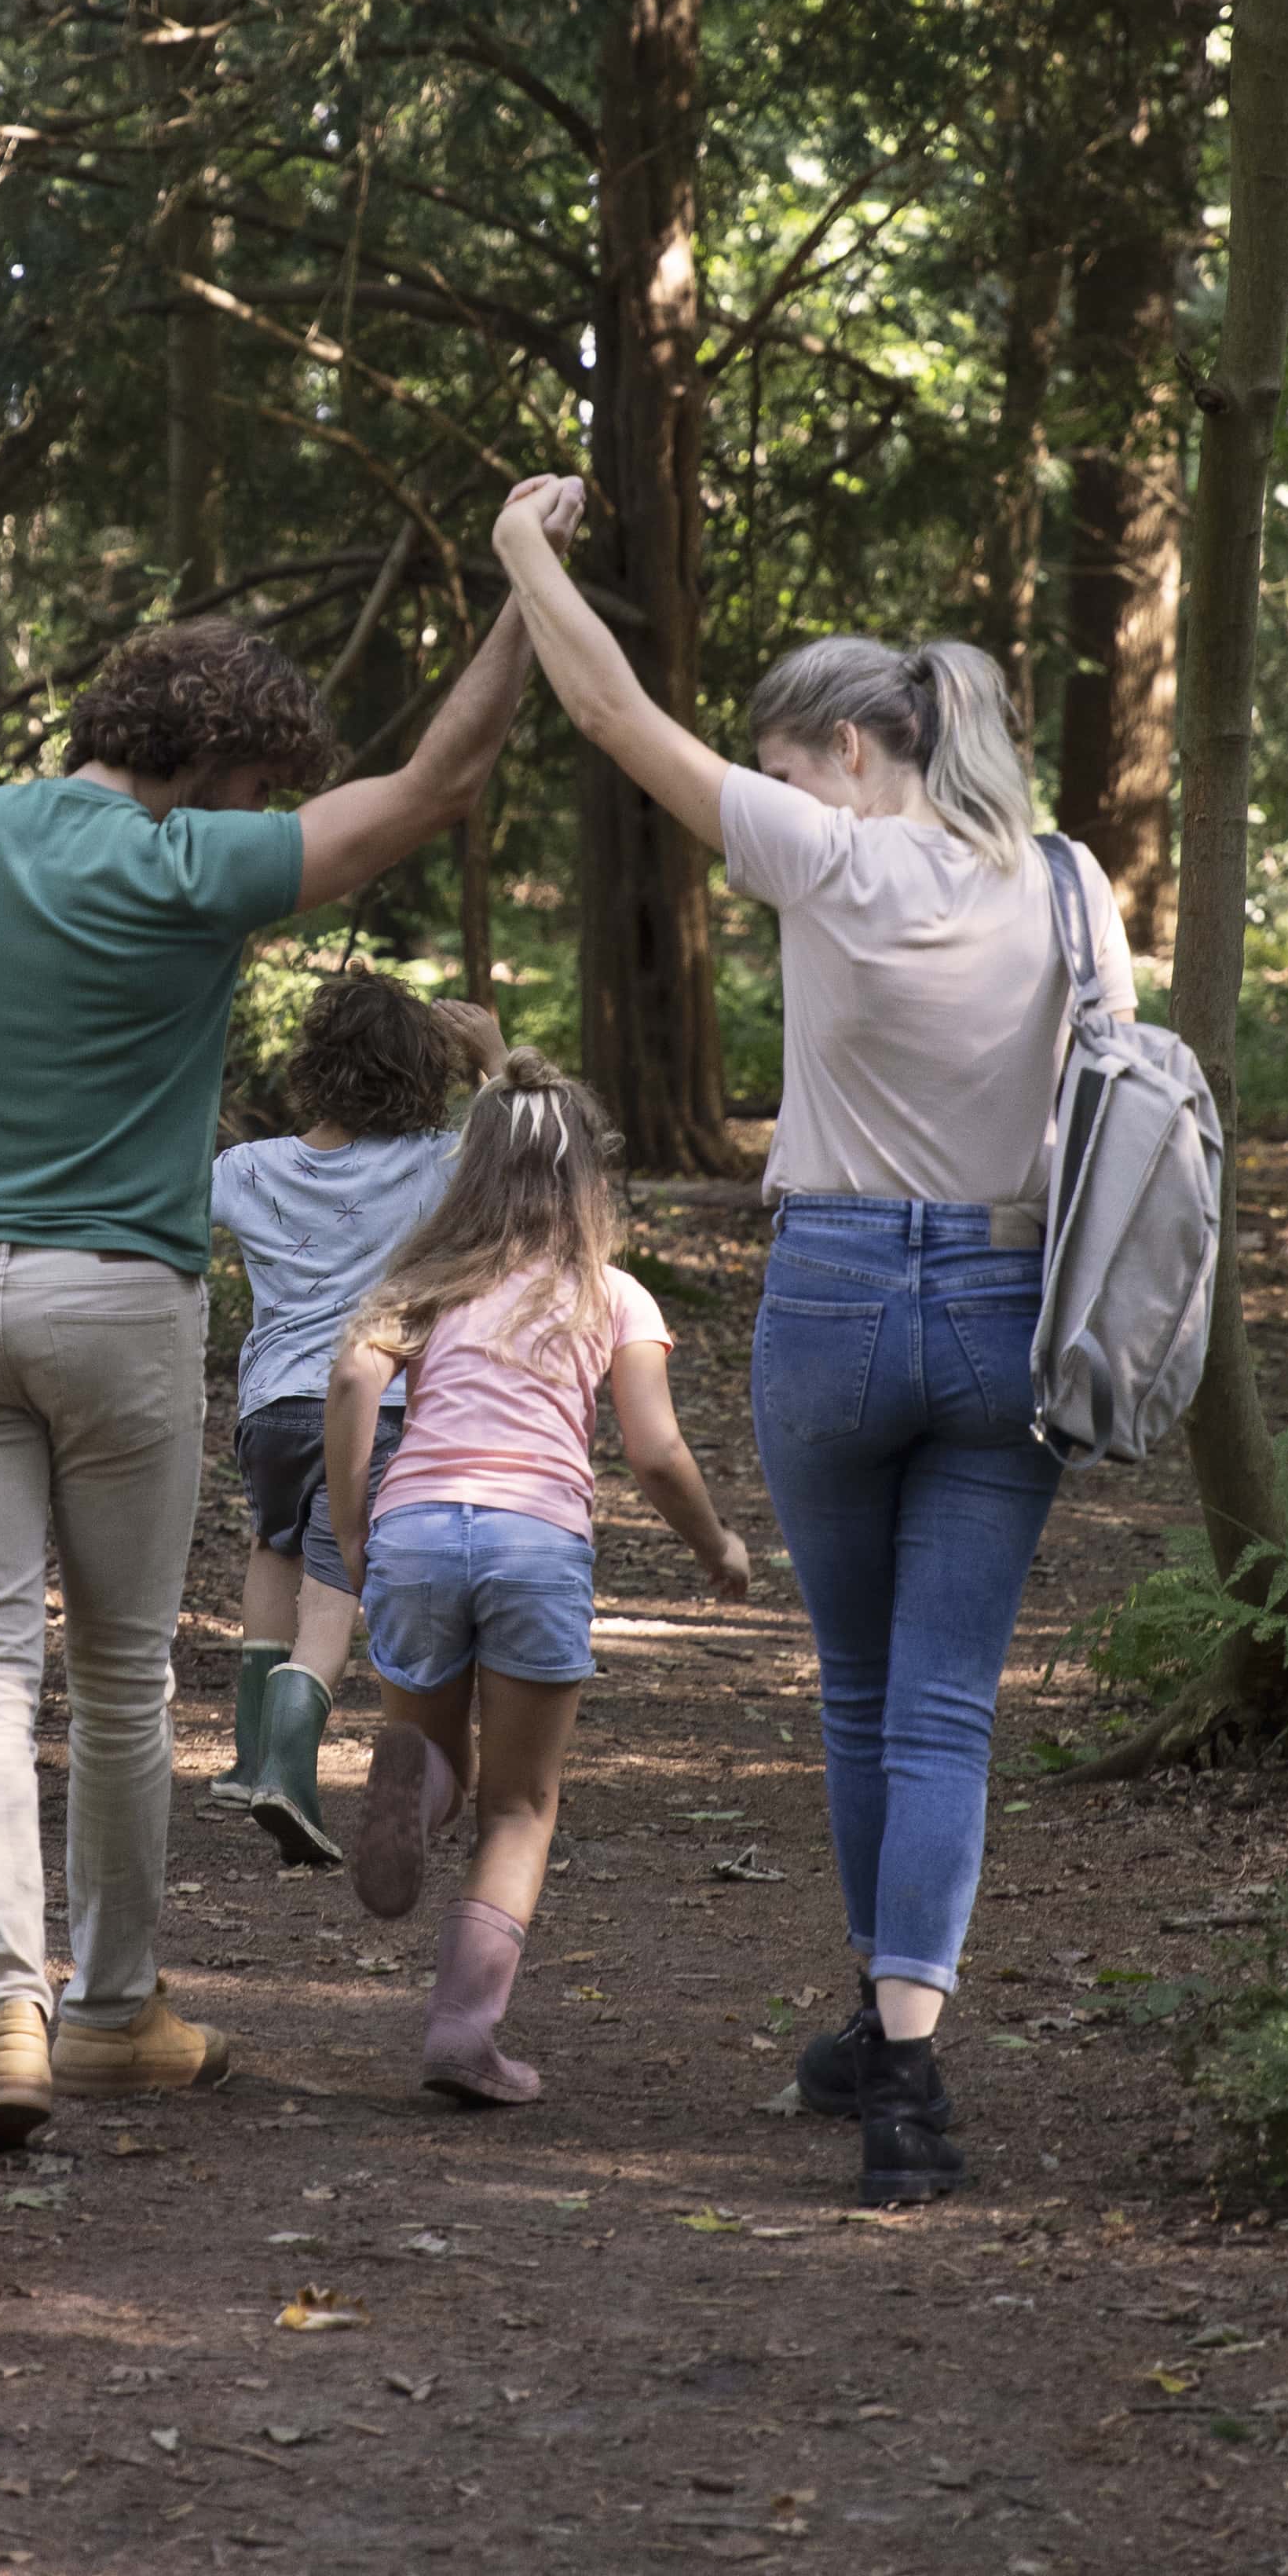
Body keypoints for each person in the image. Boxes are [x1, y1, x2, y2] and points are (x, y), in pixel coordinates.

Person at [0, 596, 541, 2157]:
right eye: (256, 788)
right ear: (220, 764)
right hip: (117, 1304)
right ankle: (109, 2013)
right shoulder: (192, 863)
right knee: (113, 1671)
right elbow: (441, 779)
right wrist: (520, 587)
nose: (259, 820)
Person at [488, 472, 1135, 2207]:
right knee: (943, 1707)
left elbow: (611, 711)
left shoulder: (831, 857)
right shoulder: (1075, 891)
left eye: (778, 764)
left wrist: (517, 553)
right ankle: (904, 2067)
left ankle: (875, 2024)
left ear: (853, 751)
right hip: (1015, 1310)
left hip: (836, 1299)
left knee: (858, 1691)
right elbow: (1115, 1111)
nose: (766, 797)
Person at [324, 1050, 751, 2106]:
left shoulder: (424, 1285)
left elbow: (348, 1374)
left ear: (471, 1175)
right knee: (519, 1803)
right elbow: (654, 1452)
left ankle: (405, 1813)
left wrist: (353, 1528)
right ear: (588, 1186)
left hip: (416, 1529)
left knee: (431, 1754)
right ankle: (463, 2036)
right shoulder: (612, 1296)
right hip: (535, 1541)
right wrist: (716, 1549)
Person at [203, 971, 506, 1866]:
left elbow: (167, 1209)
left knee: (272, 1547)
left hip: (268, 1409)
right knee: (335, 1593)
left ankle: (250, 1749)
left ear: (314, 1065)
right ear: (419, 1070)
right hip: (371, 1409)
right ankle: (289, 1774)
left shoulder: (247, 1169)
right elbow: (522, 1151)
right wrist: (493, 1056)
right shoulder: (432, 1164)